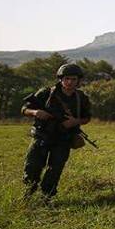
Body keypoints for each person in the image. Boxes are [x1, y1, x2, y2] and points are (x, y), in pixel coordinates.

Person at [21, 63, 92, 201]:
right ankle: (28, 194)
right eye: (66, 79)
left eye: (73, 79)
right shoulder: (46, 93)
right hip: (42, 136)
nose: (69, 82)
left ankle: (47, 197)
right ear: (61, 79)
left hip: (63, 139)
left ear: (78, 81)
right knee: (32, 167)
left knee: (55, 170)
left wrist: (75, 121)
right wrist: (36, 112)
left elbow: (87, 118)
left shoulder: (81, 98)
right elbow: (24, 109)